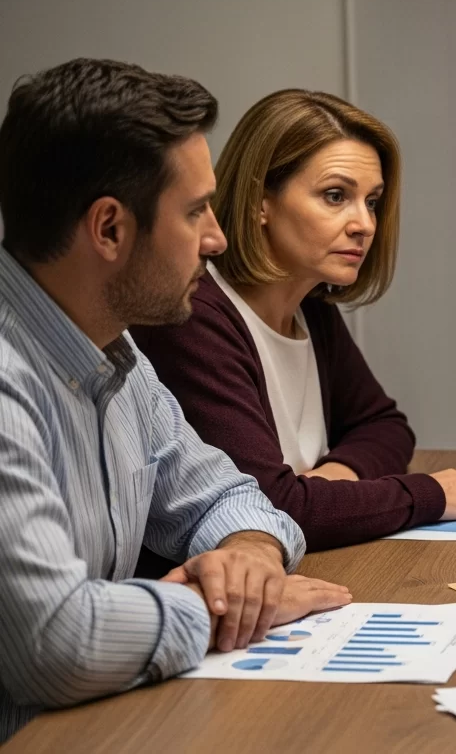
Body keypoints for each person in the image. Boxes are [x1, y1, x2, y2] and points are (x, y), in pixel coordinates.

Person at [0, 59, 352, 742]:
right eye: (195, 212)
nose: (217, 239)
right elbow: (55, 644)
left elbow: (228, 497)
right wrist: (208, 605)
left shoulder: (118, 357)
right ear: (109, 229)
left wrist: (249, 561)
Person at [131, 90, 456, 551]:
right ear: (259, 202)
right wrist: (428, 494)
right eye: (335, 196)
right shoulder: (193, 316)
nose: (365, 224)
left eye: (371, 201)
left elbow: (386, 426)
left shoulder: (311, 305)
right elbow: (270, 509)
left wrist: (336, 479)